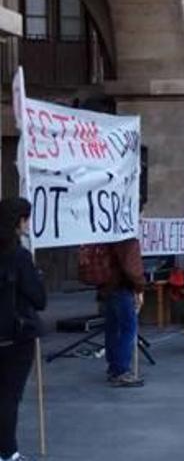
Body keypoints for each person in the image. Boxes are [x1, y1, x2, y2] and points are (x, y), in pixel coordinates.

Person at [0, 198, 46, 461]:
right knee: (9, 396)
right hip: (16, 336)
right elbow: (39, 299)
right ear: (19, 222)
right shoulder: (19, 256)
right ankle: (7, 452)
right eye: (26, 219)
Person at [98, 236, 147, 387]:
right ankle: (120, 371)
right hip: (122, 286)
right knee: (128, 328)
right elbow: (131, 266)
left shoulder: (110, 232)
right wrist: (140, 286)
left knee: (113, 327)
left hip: (108, 284)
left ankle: (114, 367)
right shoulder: (127, 237)